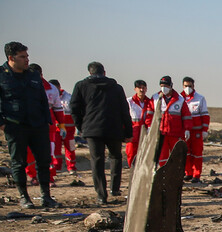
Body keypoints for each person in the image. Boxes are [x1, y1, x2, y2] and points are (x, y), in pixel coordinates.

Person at [0, 41, 59, 208]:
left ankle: (46, 196)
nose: (27, 60)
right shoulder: (2, 75)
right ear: (11, 58)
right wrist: (2, 125)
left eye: (27, 56)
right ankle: (24, 197)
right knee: (19, 162)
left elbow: (42, 99)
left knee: (44, 161)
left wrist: (47, 121)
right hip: (15, 126)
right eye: (22, 57)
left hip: (38, 125)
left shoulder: (33, 75)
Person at [69, 61, 131, 205]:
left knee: (97, 161)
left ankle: (101, 195)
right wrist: (128, 132)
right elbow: (124, 111)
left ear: (89, 73)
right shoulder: (116, 87)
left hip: (92, 129)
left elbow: (74, 109)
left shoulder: (81, 86)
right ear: (104, 72)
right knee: (115, 157)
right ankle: (114, 188)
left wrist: (82, 126)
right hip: (114, 128)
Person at [151, 76, 191, 167]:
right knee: (162, 155)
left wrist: (187, 129)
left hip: (175, 133)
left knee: (177, 155)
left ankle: (176, 175)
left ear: (171, 86)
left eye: (166, 85)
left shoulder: (180, 99)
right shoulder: (155, 98)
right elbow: (149, 115)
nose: (163, 88)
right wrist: (150, 127)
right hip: (161, 133)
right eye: (162, 85)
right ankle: (163, 173)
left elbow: (186, 115)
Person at [179, 77, 208, 183]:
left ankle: (196, 174)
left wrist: (205, 129)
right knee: (185, 153)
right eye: (186, 86)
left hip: (196, 132)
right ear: (182, 86)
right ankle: (188, 172)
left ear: (193, 86)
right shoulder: (179, 98)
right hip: (184, 132)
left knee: (197, 154)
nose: (188, 88)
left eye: (190, 86)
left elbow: (205, 115)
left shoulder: (200, 98)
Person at [49, 79, 77, 177]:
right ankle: (57, 167)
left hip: (69, 131)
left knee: (70, 148)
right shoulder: (50, 97)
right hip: (56, 130)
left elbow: (74, 112)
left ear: (59, 87)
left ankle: (72, 167)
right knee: (55, 149)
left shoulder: (69, 98)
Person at [126, 80, 153, 168]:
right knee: (131, 154)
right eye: (139, 88)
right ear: (135, 89)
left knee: (145, 154)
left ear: (146, 89)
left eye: (143, 88)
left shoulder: (150, 102)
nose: (141, 90)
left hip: (145, 133)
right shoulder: (129, 102)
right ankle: (132, 171)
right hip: (132, 133)